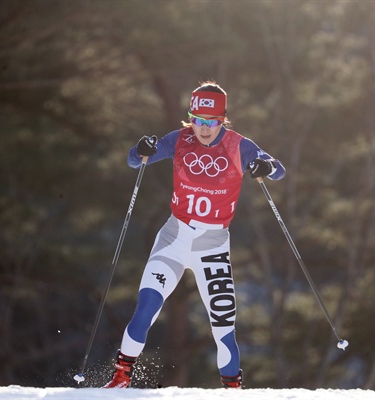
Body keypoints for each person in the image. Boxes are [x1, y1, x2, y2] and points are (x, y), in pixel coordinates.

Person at [103, 81, 285, 389]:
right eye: (198, 120)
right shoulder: (179, 139)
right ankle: (120, 377)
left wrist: (264, 165)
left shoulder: (239, 146)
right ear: (191, 117)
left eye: (211, 122)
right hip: (174, 237)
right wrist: (140, 149)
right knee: (146, 307)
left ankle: (232, 390)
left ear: (223, 119)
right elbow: (135, 161)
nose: (204, 128)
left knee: (223, 327)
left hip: (212, 246)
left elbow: (279, 170)